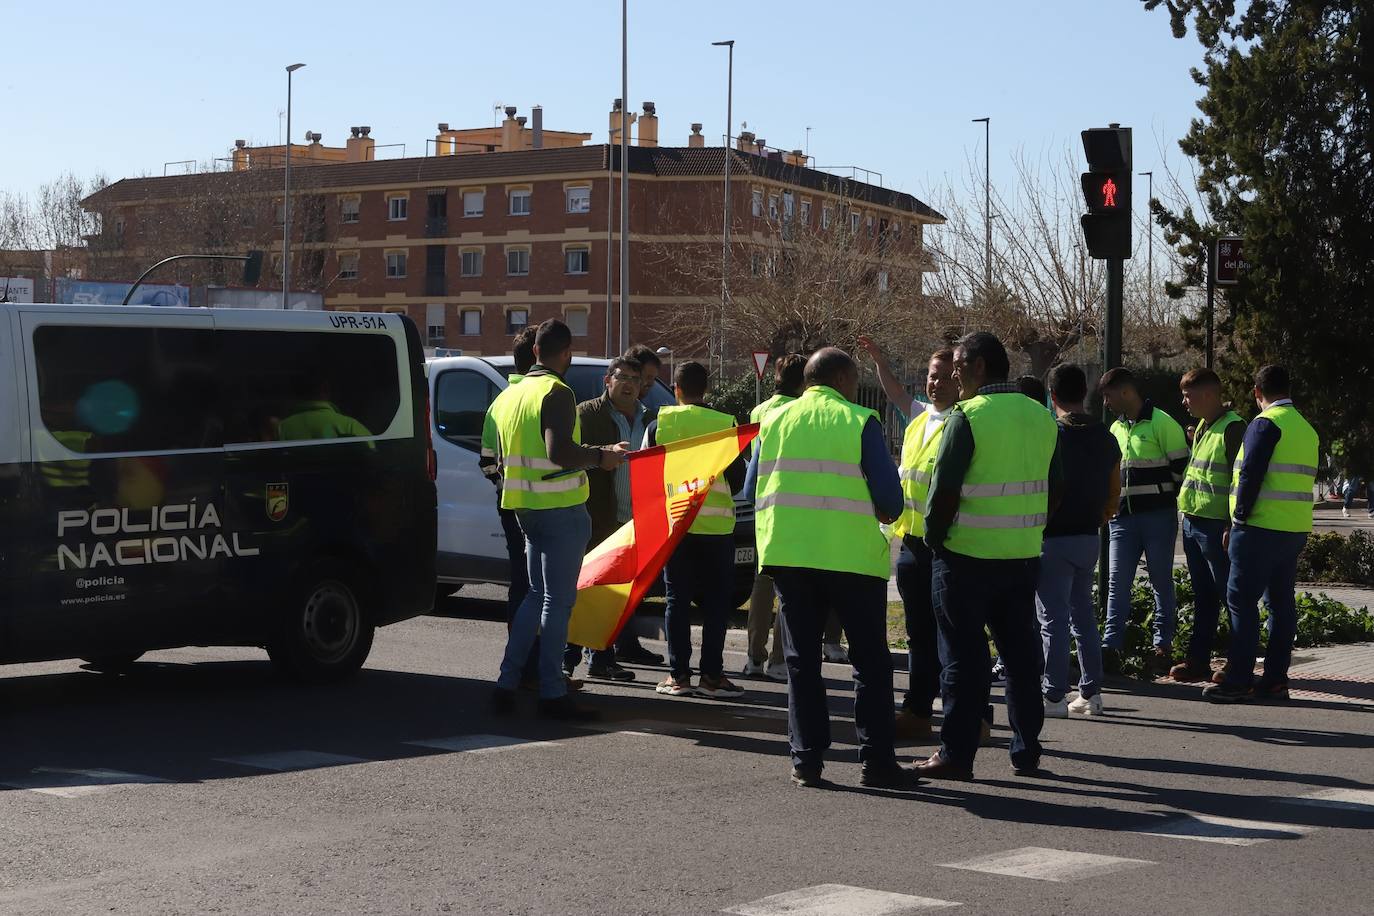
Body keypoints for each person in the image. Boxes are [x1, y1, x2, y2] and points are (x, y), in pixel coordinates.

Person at [745, 347, 917, 789]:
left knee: (802, 663)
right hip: (851, 559)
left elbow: (751, 488)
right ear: (844, 379)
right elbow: (890, 502)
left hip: (790, 557)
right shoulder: (860, 421)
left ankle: (806, 761)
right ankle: (877, 763)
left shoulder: (773, 422)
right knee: (870, 663)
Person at [917, 332, 1061, 781]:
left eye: (959, 366)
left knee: (963, 659)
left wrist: (935, 540)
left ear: (980, 367)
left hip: (965, 558)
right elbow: (1055, 486)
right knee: (1020, 659)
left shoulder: (968, 416)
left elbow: (943, 492)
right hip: (1021, 557)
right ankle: (1026, 750)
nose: (954, 374)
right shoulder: (1041, 416)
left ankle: (956, 755)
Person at [489, 319, 627, 720]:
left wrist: (597, 450)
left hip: (523, 506)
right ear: (566, 354)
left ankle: (506, 682)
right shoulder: (556, 390)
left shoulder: (511, 396)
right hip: (559, 507)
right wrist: (602, 457)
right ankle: (552, 693)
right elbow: (559, 452)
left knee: (535, 596)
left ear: (535, 351)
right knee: (557, 602)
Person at [858, 336, 960, 742]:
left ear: (961, 378)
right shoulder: (919, 418)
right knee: (919, 633)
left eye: (942, 377)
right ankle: (919, 709)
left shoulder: (966, 419)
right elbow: (897, 392)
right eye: (930, 377)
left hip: (952, 544)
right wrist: (880, 358)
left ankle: (972, 713)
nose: (933, 384)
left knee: (955, 633)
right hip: (913, 544)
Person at [1204, 365, 1319, 703]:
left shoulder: (1265, 423)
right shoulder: (1307, 429)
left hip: (1258, 527)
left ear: (1257, 393)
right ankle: (1274, 680)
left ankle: (1238, 679)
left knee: (1241, 602)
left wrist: (1237, 519)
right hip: (1293, 529)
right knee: (1281, 604)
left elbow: (1251, 473)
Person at [645, 361, 746, 699]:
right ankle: (712, 677)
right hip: (717, 528)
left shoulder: (660, 423)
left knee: (677, 600)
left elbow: (647, 475)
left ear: (676, 389)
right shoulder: (724, 424)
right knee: (717, 604)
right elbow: (738, 479)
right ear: (707, 389)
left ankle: (679, 677)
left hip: (677, 527)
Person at [1036, 364, 1120, 717]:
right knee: (1083, 615)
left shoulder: (1050, 435)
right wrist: (1101, 517)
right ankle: (1091, 692)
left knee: (1052, 618)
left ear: (1052, 396)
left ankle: (1053, 695)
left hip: (1053, 536)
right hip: (1089, 535)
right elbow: (1114, 492)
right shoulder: (1107, 437)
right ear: (1084, 393)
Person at [1099, 367, 1189, 677]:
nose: (1106, 403)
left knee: (1160, 581)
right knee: (1116, 584)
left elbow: (1181, 470)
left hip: (1158, 517)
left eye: (1109, 396)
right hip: (1122, 519)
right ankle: (1111, 646)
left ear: (1126, 392)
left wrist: (1164, 499)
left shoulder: (1163, 423)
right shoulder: (1115, 429)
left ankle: (1162, 645)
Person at [565, 356, 648, 683]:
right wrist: (603, 452)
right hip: (596, 515)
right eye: (622, 376)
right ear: (607, 381)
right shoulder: (587, 413)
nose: (629, 383)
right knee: (583, 591)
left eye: (635, 378)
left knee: (613, 594)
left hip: (633, 522)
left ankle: (602, 657)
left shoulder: (649, 418)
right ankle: (566, 661)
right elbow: (569, 453)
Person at [478, 328, 548, 688]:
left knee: (521, 584)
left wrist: (505, 483)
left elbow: (486, 461)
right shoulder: (545, 397)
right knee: (543, 589)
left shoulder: (501, 401)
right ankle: (538, 668)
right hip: (545, 505)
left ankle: (519, 663)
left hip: (510, 505)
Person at [1170, 367, 1245, 682]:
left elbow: (1239, 479)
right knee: (1203, 596)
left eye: (1188, 396)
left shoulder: (1234, 428)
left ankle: (1237, 664)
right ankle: (1198, 661)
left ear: (1210, 395)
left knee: (1231, 597)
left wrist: (1232, 523)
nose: (1184, 403)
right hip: (1192, 522)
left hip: (1217, 527)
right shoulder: (1202, 426)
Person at [741, 353, 806, 683]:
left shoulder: (759, 411)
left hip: (764, 507)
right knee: (789, 589)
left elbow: (753, 466)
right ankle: (779, 659)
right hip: (794, 508)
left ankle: (754, 656)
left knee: (762, 583)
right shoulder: (800, 413)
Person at [614, 343, 670, 667]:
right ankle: (598, 651)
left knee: (631, 584)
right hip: (613, 511)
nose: (648, 386)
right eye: (645, 378)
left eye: (652, 380)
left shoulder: (648, 416)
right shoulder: (606, 413)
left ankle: (626, 643)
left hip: (636, 511)